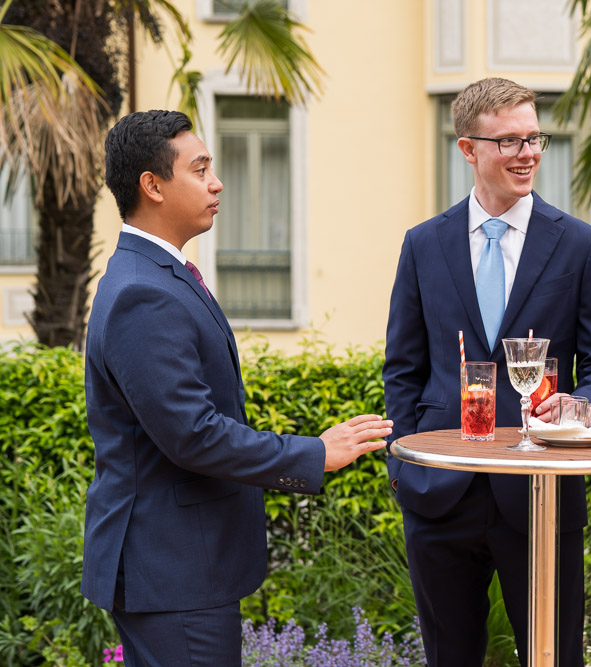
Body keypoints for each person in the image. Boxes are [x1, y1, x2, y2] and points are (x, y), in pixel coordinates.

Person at [81, 110, 393, 666]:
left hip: (182, 568)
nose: (217, 182)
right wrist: (315, 453)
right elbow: (193, 436)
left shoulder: (158, 275)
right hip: (172, 571)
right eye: (200, 170)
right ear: (152, 186)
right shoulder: (141, 294)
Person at [383, 77, 591, 666]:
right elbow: (403, 367)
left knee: (555, 657)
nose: (529, 153)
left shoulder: (580, 246)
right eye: (510, 141)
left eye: (534, 137)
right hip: (440, 493)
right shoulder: (423, 244)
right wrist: (406, 465)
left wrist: (578, 404)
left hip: (541, 492)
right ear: (468, 149)